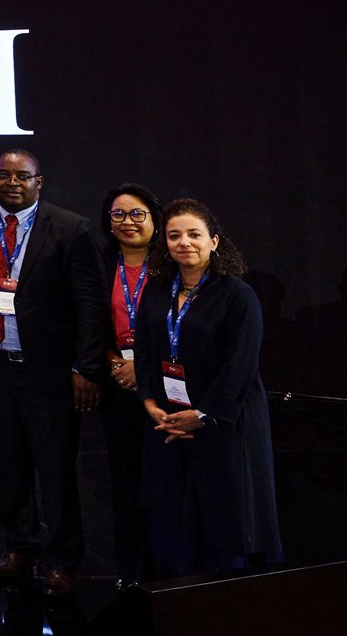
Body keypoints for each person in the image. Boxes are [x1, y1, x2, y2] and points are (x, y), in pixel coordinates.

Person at [0, 148, 106, 597]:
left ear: (39, 182)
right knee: (7, 465)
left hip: (50, 372)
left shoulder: (70, 227)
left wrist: (87, 367)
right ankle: (18, 548)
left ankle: (61, 559)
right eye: (4, 174)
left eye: (23, 176)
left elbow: (90, 305)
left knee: (55, 468)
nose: (12, 182)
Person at [136, 199, 280, 576]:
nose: (184, 242)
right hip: (169, 422)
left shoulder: (237, 294)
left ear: (214, 241)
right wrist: (150, 400)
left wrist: (203, 415)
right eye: (174, 235)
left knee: (224, 517)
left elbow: (241, 366)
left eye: (194, 234)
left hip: (225, 425)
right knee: (171, 516)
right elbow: (147, 351)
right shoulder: (156, 290)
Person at [98, 182, 163, 588]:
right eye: (118, 215)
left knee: (165, 482)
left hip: (167, 391)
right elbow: (88, 320)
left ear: (155, 219)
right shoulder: (100, 263)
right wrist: (112, 362)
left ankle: (168, 570)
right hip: (116, 387)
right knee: (125, 485)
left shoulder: (173, 263)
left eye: (137, 214)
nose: (127, 222)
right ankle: (131, 572)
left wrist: (146, 371)